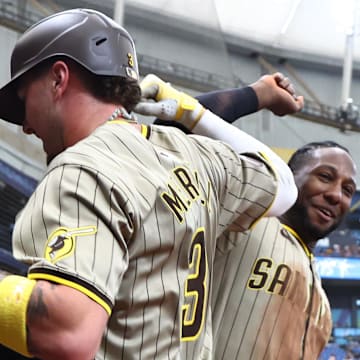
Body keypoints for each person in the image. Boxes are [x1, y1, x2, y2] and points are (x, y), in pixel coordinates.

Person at [0, 8, 299, 360]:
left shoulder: (81, 167)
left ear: (58, 79)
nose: (26, 126)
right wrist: (192, 112)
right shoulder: (196, 154)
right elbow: (283, 185)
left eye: (23, 100)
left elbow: (67, 334)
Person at [136, 76, 357, 359]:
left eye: (348, 190)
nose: (336, 195)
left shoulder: (323, 309)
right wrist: (257, 95)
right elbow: (171, 135)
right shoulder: (243, 218)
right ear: (289, 175)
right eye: (325, 177)